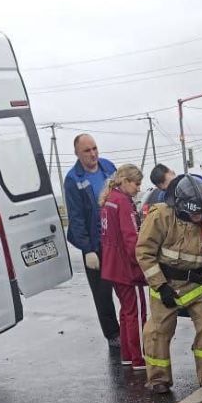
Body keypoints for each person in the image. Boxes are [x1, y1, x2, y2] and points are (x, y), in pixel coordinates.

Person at [136, 174, 202, 394]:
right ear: (181, 206)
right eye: (194, 213)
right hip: (167, 284)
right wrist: (161, 286)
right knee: (158, 331)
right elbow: (144, 253)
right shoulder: (161, 216)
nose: (197, 218)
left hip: (198, 284)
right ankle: (159, 379)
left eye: (200, 213)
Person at [64, 133, 120, 348]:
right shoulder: (74, 179)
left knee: (125, 286)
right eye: (87, 150)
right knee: (102, 293)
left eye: (94, 148)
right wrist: (87, 249)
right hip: (95, 245)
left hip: (116, 240)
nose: (93, 154)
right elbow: (76, 217)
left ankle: (130, 325)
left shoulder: (108, 167)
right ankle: (113, 334)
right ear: (77, 153)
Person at [99, 164, 147, 369]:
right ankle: (139, 357)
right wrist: (142, 263)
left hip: (112, 266)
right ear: (125, 181)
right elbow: (131, 239)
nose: (138, 188)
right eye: (136, 183)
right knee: (137, 313)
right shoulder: (123, 203)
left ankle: (127, 355)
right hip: (126, 268)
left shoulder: (109, 199)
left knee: (126, 312)